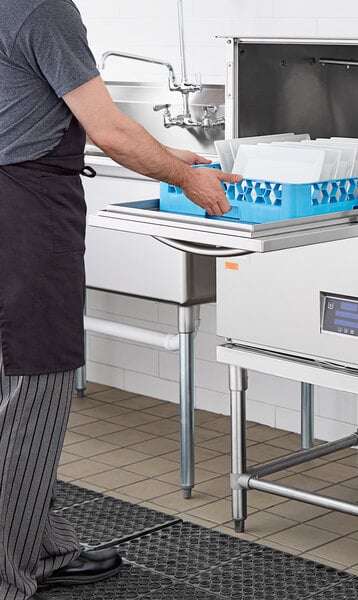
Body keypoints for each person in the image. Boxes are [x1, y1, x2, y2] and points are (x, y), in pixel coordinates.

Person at [0, 1, 241, 599]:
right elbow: (108, 130)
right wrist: (187, 179)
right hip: (24, 215)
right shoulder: (41, 9)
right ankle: (8, 574)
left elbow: (30, 110)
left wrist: (164, 159)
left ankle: (41, 548)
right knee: (35, 386)